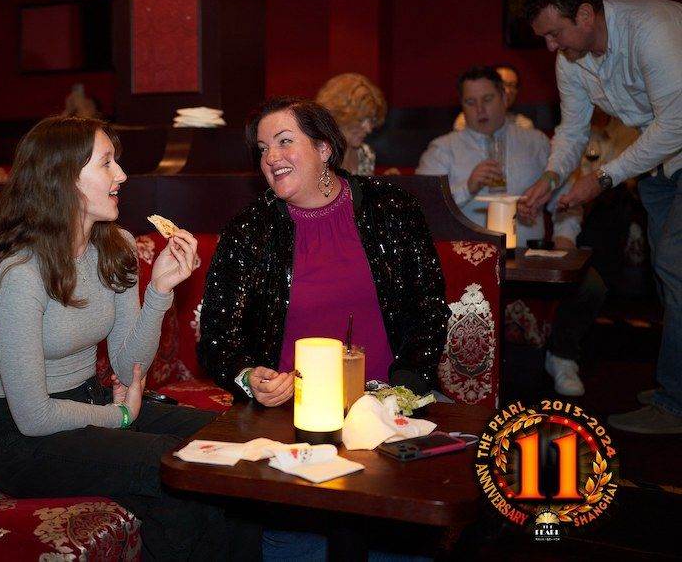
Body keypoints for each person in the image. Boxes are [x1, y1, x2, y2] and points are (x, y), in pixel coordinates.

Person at [0, 115, 259, 561]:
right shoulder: (20, 273)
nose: (122, 175)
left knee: (230, 438)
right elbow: (32, 416)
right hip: (23, 441)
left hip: (92, 405)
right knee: (182, 464)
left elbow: (129, 366)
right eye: (106, 163)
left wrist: (160, 291)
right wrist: (120, 417)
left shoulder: (116, 246)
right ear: (64, 178)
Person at [199, 96, 449, 402]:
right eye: (263, 149)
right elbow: (217, 336)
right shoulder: (249, 230)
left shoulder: (391, 208)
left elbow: (428, 309)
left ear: (323, 148)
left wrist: (402, 391)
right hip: (291, 406)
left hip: (390, 400)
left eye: (284, 141)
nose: (271, 157)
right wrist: (248, 377)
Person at [518, 0, 682, 433]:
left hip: (671, 144)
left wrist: (603, 177)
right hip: (658, 165)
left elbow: (675, 124)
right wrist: (551, 177)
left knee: (675, 266)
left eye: (555, 33)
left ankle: (675, 403)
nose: (550, 46)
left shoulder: (652, 31)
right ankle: (677, 383)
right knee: (668, 278)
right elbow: (573, 131)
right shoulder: (571, 58)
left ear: (586, 15)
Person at [417, 66, 606, 396]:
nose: (480, 110)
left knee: (591, 286)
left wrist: (565, 239)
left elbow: (566, 200)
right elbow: (423, 209)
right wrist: (467, 187)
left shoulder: (535, 143)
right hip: (468, 254)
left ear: (505, 98)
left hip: (529, 253)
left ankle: (561, 356)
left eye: (488, 99)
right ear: (461, 105)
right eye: (471, 102)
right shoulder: (443, 148)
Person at [315, 72, 386, 175]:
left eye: (371, 120)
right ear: (339, 116)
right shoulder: (319, 155)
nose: (369, 129)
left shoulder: (366, 154)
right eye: (361, 120)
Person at [453, 64, 534, 131]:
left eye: (512, 85)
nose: (507, 91)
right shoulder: (465, 122)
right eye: (503, 84)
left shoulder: (524, 125)